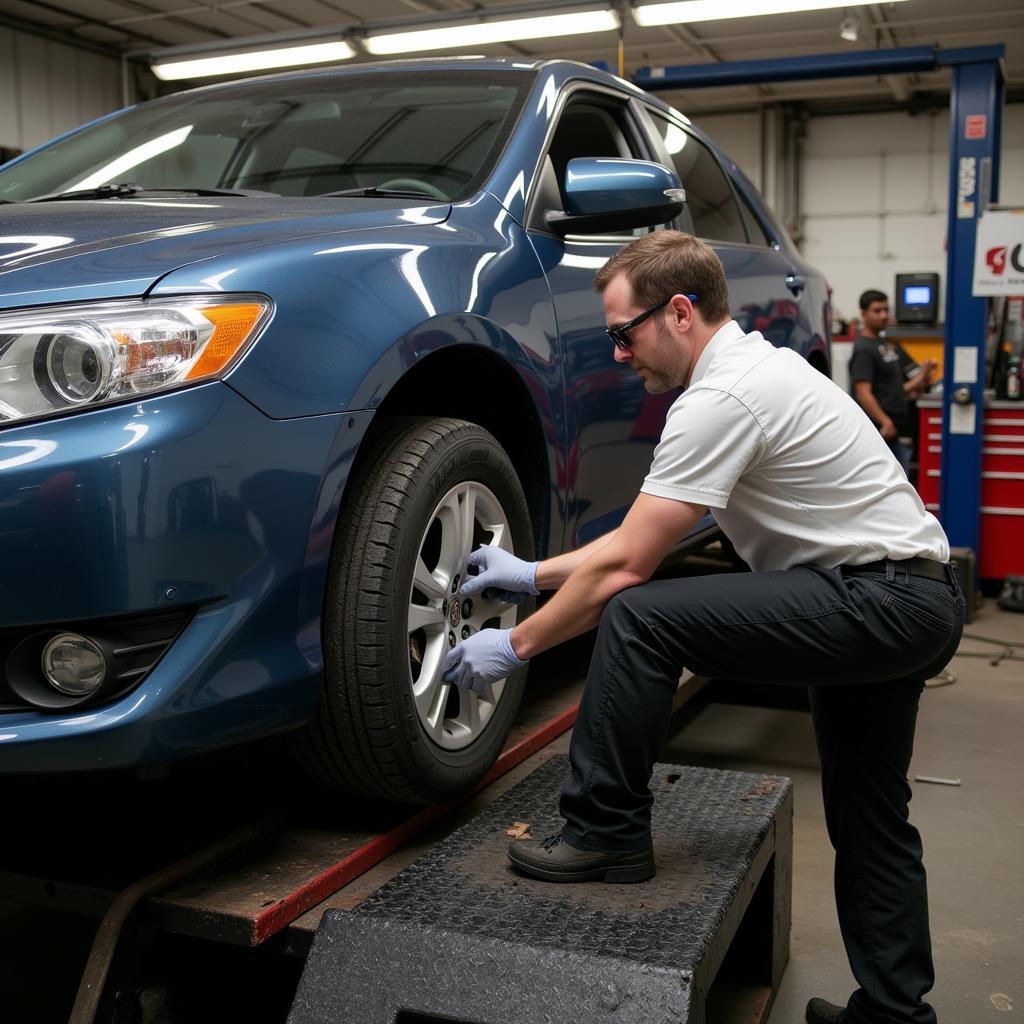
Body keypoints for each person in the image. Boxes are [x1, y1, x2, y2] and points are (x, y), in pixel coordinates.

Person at [442, 231, 965, 1024]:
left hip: (874, 599)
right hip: (910, 596)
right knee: (870, 815)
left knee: (642, 619)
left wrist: (516, 644)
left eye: (625, 333)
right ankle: (894, 1015)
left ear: (679, 311)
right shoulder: (759, 370)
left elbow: (626, 572)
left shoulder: (721, 399)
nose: (619, 354)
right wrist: (531, 573)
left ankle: (606, 829)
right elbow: (631, 540)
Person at [849, 289, 936, 478]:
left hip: (896, 430)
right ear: (863, 314)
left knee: (901, 481)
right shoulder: (864, 348)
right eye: (877, 310)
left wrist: (923, 374)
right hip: (880, 431)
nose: (884, 315)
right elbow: (863, 392)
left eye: (886, 310)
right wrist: (885, 421)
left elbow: (897, 390)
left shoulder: (887, 345)